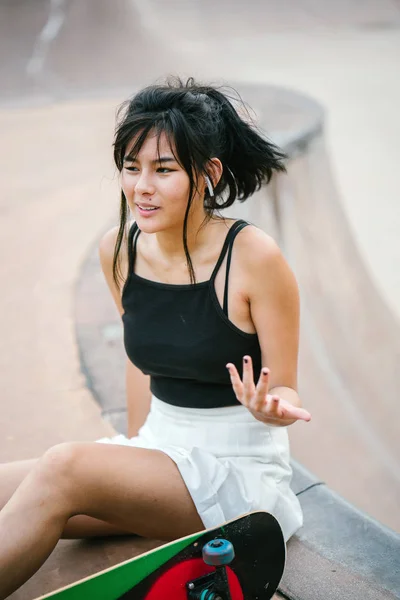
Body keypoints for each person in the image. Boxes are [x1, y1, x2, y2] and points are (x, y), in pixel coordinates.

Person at [0, 77, 311, 598]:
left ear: (207, 174)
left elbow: (287, 388)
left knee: (63, 467)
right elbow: (139, 362)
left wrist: (271, 406)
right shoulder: (118, 250)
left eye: (163, 170)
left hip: (237, 472)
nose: (141, 186)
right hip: (162, 453)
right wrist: (131, 457)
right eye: (131, 166)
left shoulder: (254, 257)